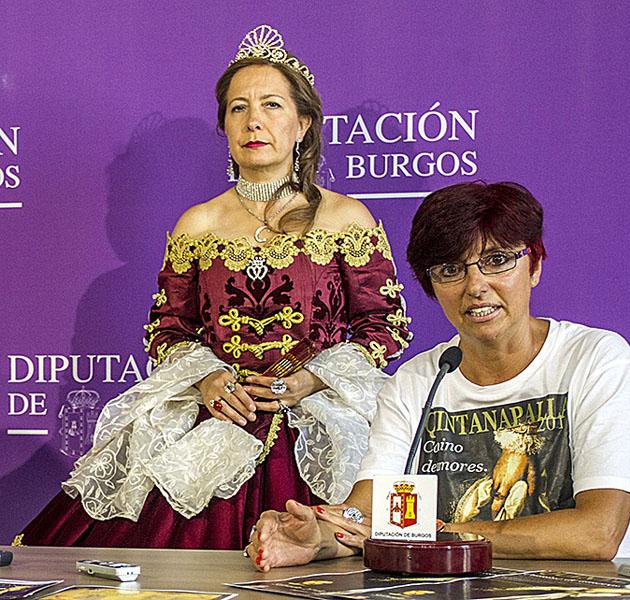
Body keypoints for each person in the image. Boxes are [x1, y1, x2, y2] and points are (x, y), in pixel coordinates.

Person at [15, 25, 411, 549]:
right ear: (224, 126)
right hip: (214, 416)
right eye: (238, 108)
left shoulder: (344, 217)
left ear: (303, 124)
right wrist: (206, 382)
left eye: (271, 105)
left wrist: (313, 380)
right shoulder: (197, 224)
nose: (254, 121)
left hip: (322, 418)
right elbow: (169, 330)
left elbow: (383, 326)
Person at [248, 181, 630, 568]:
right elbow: (367, 513)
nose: (475, 285)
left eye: (497, 261)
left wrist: (435, 535)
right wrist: (318, 537)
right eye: (450, 270)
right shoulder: (417, 381)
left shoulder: (596, 358)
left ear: (534, 266)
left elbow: (598, 534)